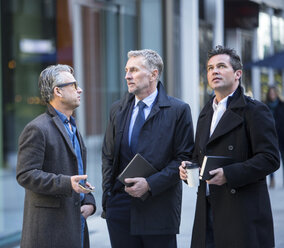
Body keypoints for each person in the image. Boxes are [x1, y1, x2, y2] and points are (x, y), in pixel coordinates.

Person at [179, 45, 280, 248]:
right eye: (209, 68)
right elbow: (200, 156)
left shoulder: (255, 110)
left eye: (221, 66)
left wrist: (229, 174)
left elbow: (270, 158)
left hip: (242, 212)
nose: (214, 71)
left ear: (237, 74)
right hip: (207, 209)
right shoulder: (206, 112)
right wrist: (188, 167)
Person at [102, 49, 194, 248]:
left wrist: (150, 184)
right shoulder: (117, 110)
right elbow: (108, 156)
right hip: (120, 210)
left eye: (134, 70)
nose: (127, 75)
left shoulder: (178, 111)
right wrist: (109, 198)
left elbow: (183, 158)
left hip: (159, 209)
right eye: (126, 70)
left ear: (153, 74)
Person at [16, 64, 96, 248]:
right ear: (58, 91)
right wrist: (67, 183)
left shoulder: (72, 125)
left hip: (75, 226)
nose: (80, 90)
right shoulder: (37, 128)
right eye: (74, 85)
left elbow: (76, 172)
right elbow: (25, 175)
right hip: (50, 233)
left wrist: (89, 200)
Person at [265, 85, 284, 188]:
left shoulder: (282, 105)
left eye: (274, 93)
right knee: (271, 157)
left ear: (277, 94)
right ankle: (272, 179)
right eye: (270, 93)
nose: (272, 95)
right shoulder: (264, 106)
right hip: (270, 136)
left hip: (282, 136)